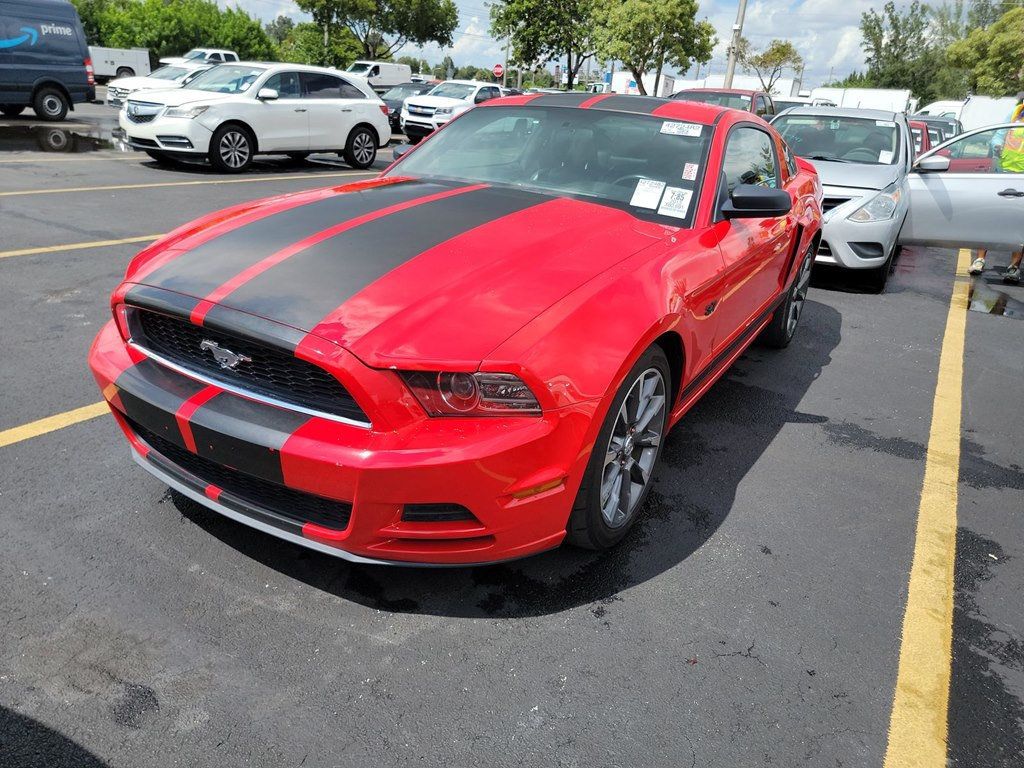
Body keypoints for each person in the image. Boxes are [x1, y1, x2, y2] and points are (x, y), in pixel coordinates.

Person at [968, 92, 1024, 283]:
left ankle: (1014, 267)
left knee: (1019, 223)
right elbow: (998, 136)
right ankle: (980, 259)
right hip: (1003, 172)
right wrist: (997, 146)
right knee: (992, 216)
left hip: (1023, 177)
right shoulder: (1015, 113)